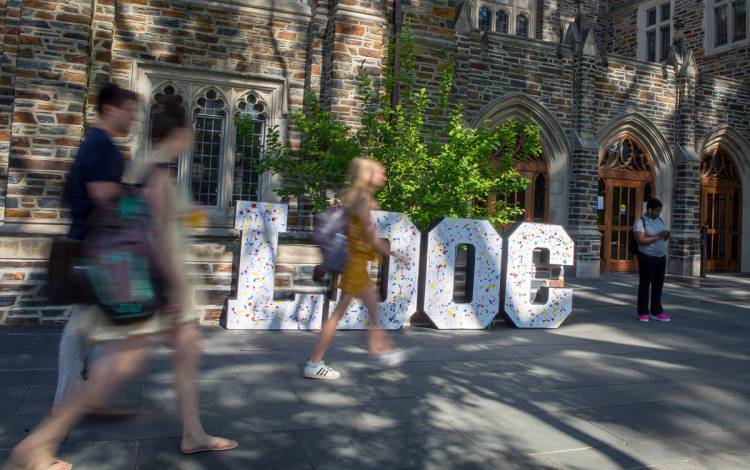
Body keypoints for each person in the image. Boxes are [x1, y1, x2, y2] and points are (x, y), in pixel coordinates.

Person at [5, 104, 237, 470]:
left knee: (185, 353)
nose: (192, 138)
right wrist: (175, 292)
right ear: (178, 134)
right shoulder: (159, 173)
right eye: (189, 131)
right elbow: (159, 238)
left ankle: (193, 432)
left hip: (150, 282)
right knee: (120, 367)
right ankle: (34, 447)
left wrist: (188, 214)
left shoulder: (144, 166)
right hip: (158, 285)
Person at [54, 84, 139, 409]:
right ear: (110, 109)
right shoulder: (100, 145)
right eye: (129, 110)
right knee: (84, 327)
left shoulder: (97, 143)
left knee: (97, 324)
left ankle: (86, 395)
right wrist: (137, 199)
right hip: (96, 250)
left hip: (95, 246)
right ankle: (69, 401)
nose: (133, 118)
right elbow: (102, 196)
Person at [303, 157, 417, 380]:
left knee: (373, 309)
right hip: (354, 264)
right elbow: (371, 237)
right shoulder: (361, 199)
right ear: (367, 174)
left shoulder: (355, 197)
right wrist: (393, 253)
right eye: (379, 172)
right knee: (339, 315)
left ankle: (381, 351)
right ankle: (314, 363)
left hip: (356, 262)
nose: (383, 176)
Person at [633, 198, 671, 322]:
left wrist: (665, 236)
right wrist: (659, 236)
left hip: (661, 257)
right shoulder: (640, 221)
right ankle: (643, 312)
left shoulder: (660, 220)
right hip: (646, 257)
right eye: (656, 211)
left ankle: (657, 311)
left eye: (660, 211)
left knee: (658, 286)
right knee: (645, 285)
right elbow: (641, 241)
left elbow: (662, 236)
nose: (658, 213)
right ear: (649, 209)